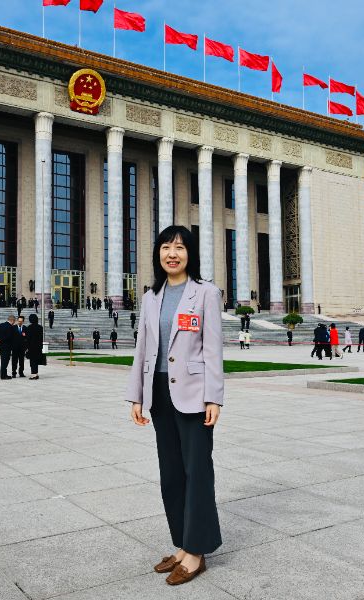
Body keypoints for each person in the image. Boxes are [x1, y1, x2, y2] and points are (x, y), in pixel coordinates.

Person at [126, 224, 223, 586]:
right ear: (158, 254)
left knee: (197, 471)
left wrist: (215, 396)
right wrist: (135, 394)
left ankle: (197, 552)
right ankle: (182, 544)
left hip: (195, 394)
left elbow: (213, 349)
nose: (172, 253)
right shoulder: (152, 296)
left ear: (189, 254)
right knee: (171, 473)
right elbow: (141, 350)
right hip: (159, 394)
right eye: (166, 247)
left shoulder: (206, 293)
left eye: (179, 248)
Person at [0, 316, 15, 380]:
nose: (14, 323)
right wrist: (1, 340)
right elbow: (9, 337)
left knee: (3, 360)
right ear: (12, 320)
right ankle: (3, 376)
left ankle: (3, 374)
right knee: (5, 361)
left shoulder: (1, 325)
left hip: (1, 346)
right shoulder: (10, 327)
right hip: (7, 347)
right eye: (14, 321)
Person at [25, 313, 44, 380]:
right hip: (38, 346)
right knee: (36, 360)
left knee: (32, 361)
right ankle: (36, 373)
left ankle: (34, 374)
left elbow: (28, 338)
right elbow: (41, 337)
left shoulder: (29, 328)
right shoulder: (40, 327)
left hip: (31, 347)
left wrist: (27, 347)